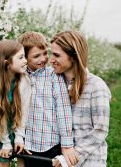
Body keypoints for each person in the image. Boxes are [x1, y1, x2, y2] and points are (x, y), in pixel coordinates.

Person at [50, 30, 111, 167]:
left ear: (73, 56)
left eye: (56, 55)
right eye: (51, 53)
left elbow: (100, 130)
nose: (51, 60)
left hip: (89, 161)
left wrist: (70, 158)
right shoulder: (54, 82)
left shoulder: (96, 86)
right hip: (59, 159)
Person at [18, 32, 77, 167]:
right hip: (29, 145)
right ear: (25, 57)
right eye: (36, 56)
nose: (43, 59)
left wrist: (67, 144)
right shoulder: (20, 77)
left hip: (51, 144)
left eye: (45, 53)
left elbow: (63, 111)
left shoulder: (53, 76)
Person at [0, 39, 28, 167]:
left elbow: (24, 112)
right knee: (3, 159)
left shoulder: (24, 81)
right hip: (2, 133)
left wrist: (19, 138)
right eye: (21, 57)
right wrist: (6, 142)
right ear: (6, 63)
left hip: (21, 131)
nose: (25, 61)